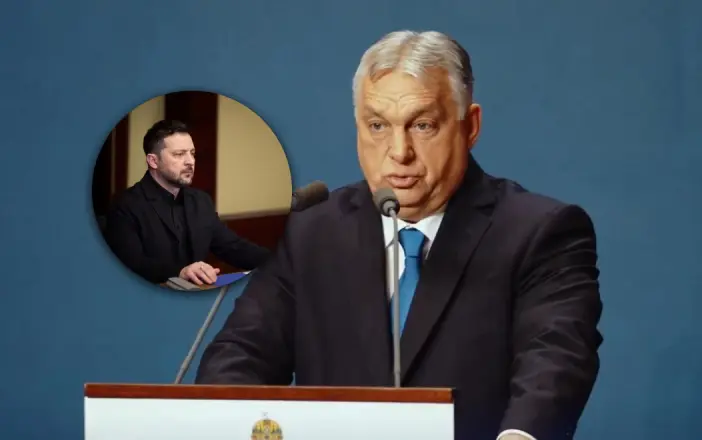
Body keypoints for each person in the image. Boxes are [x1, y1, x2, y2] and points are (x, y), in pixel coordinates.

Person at [195, 30, 603, 440]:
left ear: (470, 126)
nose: (399, 151)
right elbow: (240, 357)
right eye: (377, 125)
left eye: (422, 125)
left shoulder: (539, 232)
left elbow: (555, 360)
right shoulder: (308, 231)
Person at [103, 119, 271, 286]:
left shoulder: (201, 201)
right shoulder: (125, 205)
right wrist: (180, 272)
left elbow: (233, 246)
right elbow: (131, 263)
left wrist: (277, 261)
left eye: (192, 153)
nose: (190, 161)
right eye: (179, 154)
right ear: (153, 161)